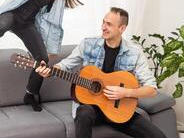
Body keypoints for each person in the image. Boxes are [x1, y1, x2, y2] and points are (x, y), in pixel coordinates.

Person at [36, 7, 166, 138]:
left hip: (119, 111)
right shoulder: (88, 44)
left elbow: (151, 89)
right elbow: (65, 65)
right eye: (103, 22)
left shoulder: (135, 52)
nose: (103, 27)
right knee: (83, 112)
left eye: (109, 24)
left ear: (122, 28)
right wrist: (50, 71)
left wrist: (126, 92)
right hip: (91, 108)